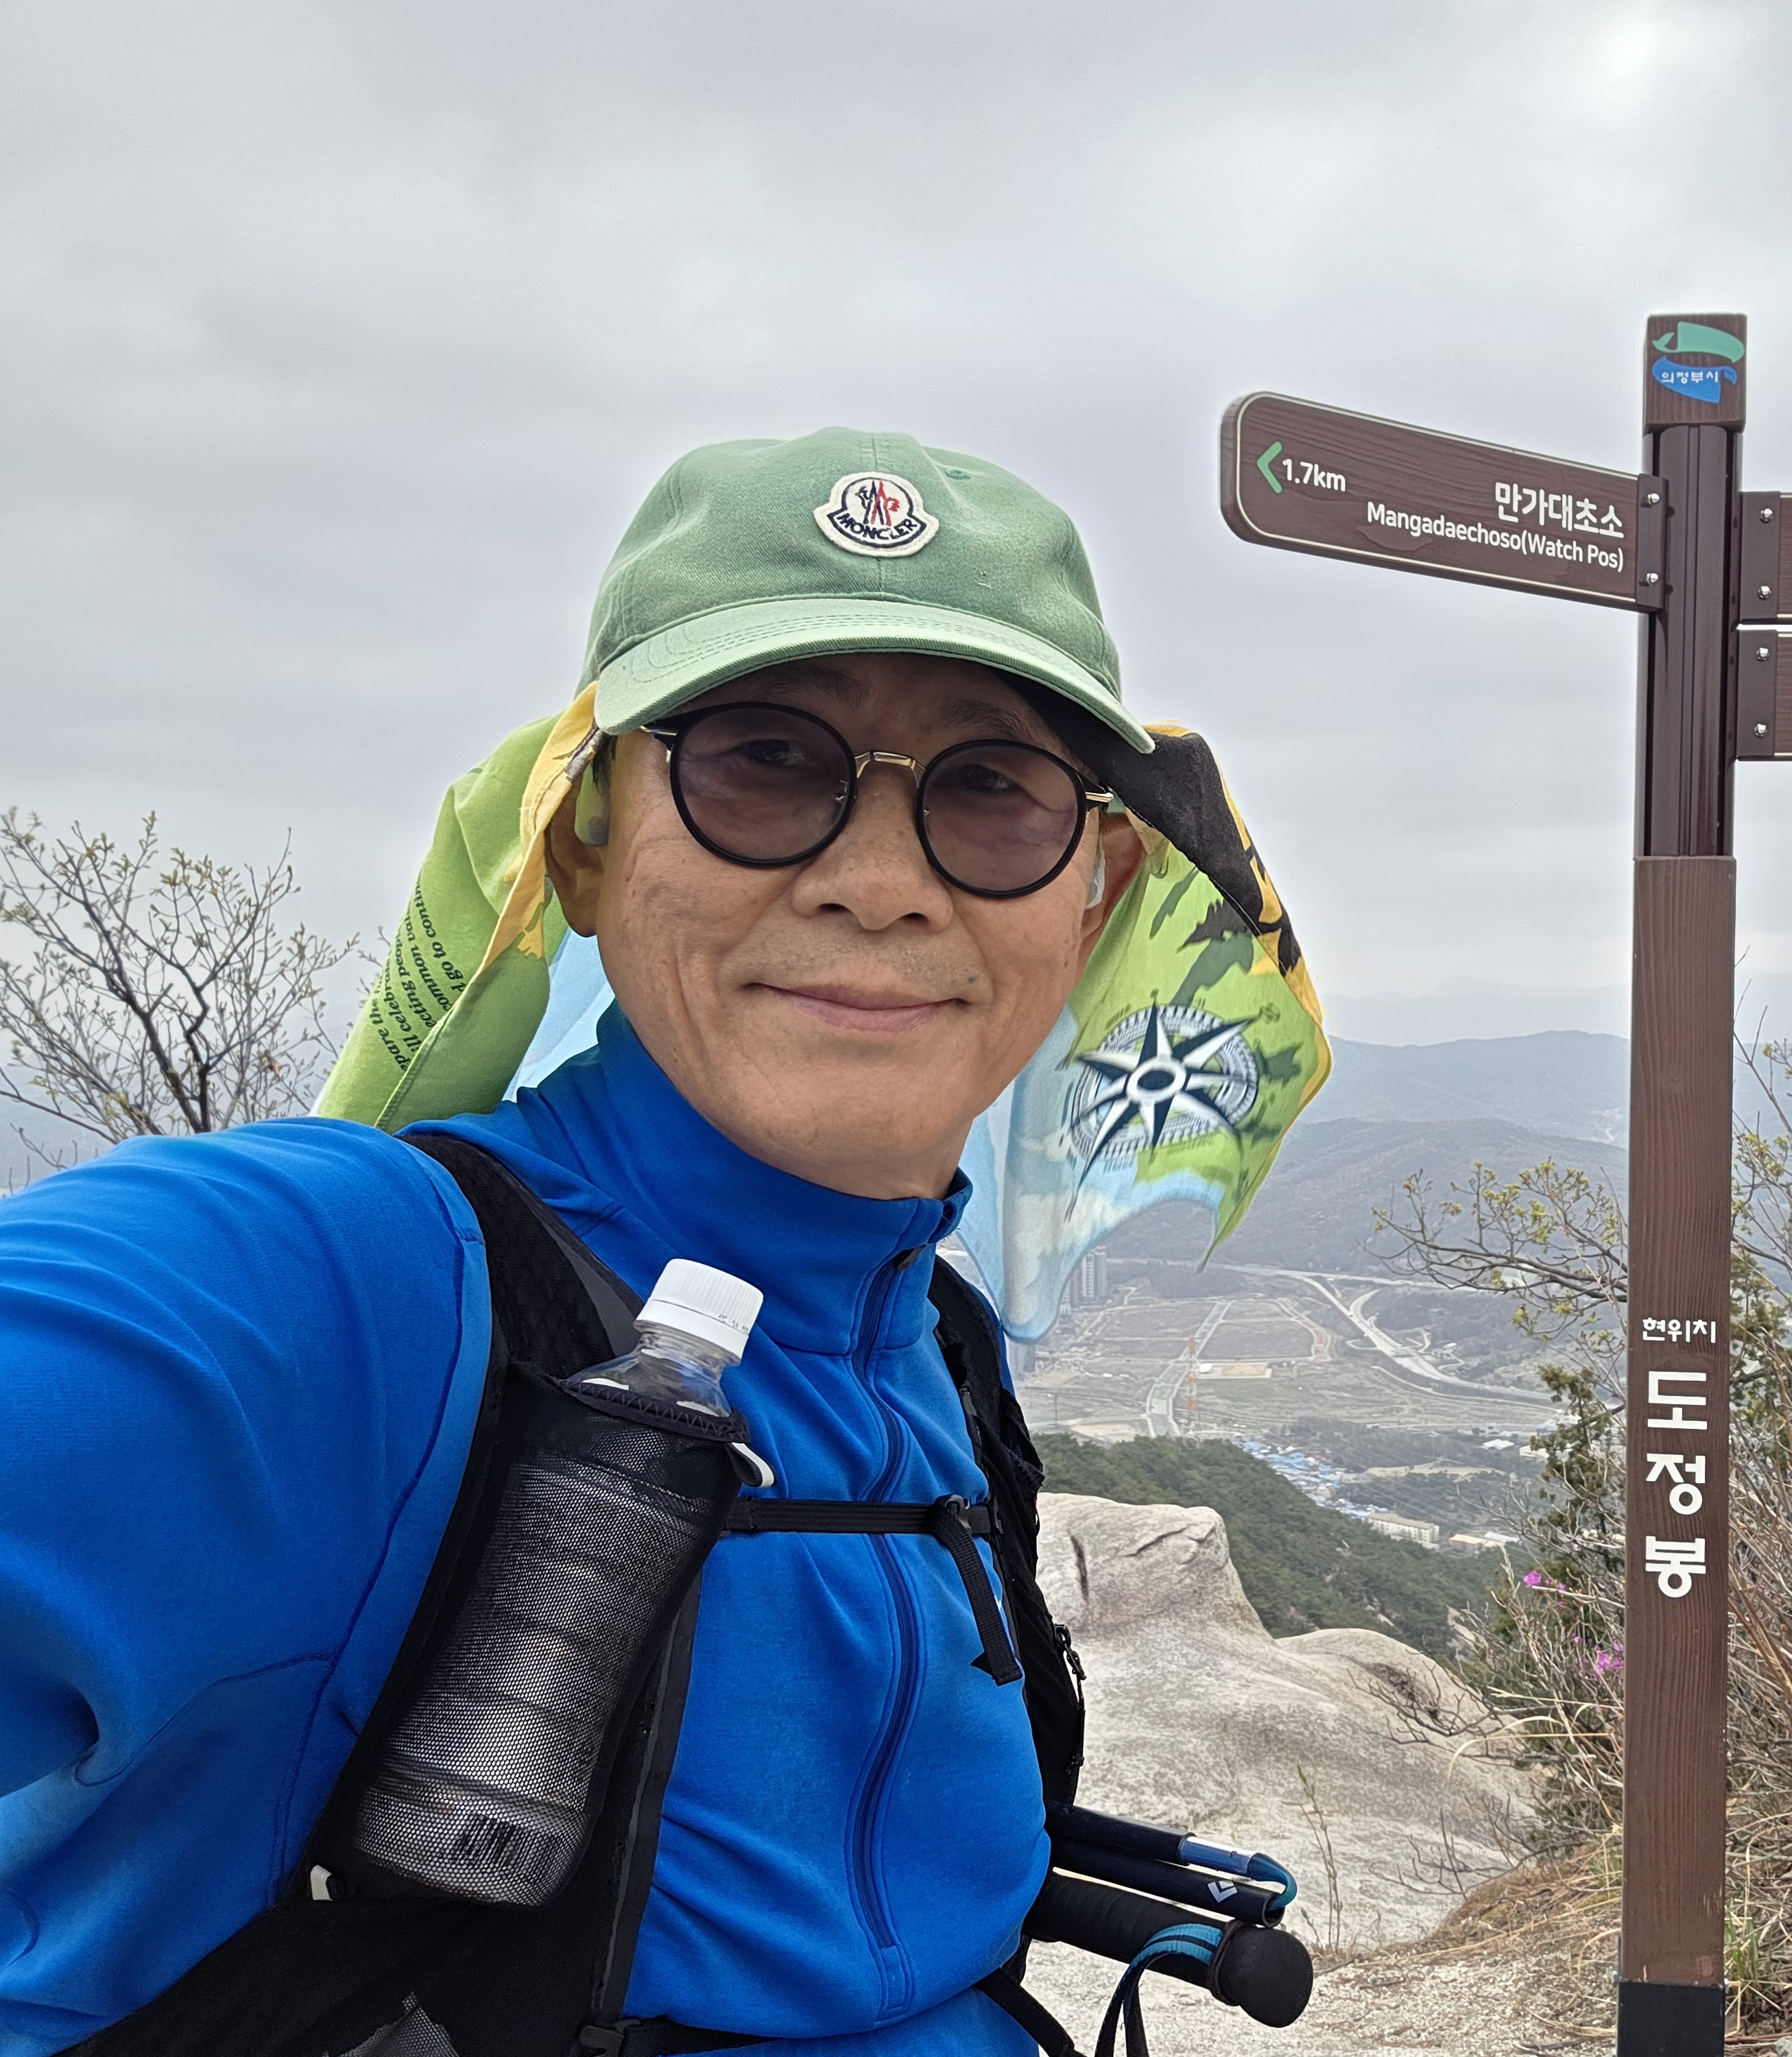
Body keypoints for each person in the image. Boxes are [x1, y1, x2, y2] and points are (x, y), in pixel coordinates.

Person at [0, 429, 1326, 2056]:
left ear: (1094, 887)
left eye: (991, 789)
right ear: (582, 836)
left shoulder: (939, 1347)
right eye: (761, 760)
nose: (876, 884)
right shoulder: (345, 1287)